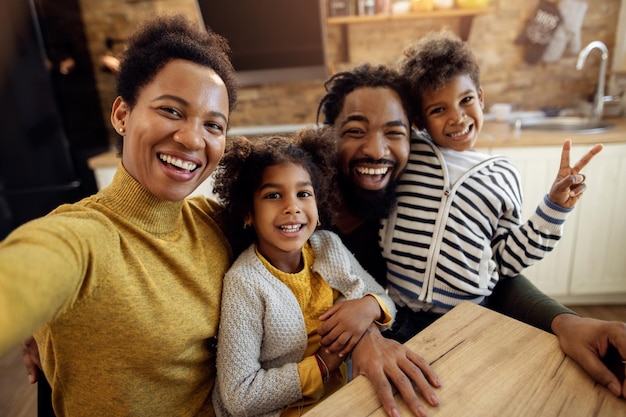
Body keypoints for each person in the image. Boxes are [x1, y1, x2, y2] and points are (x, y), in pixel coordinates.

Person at [318, 60, 626, 415]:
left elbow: (490, 267)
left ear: (413, 134)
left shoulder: (404, 184)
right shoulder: (304, 211)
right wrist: (366, 337)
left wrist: (567, 322)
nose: (376, 150)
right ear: (329, 135)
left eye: (395, 132)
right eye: (356, 130)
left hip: (454, 338)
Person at [1, 14, 238, 416]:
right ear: (122, 116)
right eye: (172, 111)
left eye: (213, 125)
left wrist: (371, 324)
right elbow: (26, 270)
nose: (193, 138)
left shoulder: (215, 223)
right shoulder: (83, 235)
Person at [380, 29, 604, 341]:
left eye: (466, 100)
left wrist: (554, 208)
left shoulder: (502, 175)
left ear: (481, 98)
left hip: (470, 320)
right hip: (400, 319)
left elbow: (506, 259)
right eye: (438, 110)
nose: (457, 118)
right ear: (419, 120)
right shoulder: (410, 152)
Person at [210, 128, 396, 416]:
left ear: (318, 204)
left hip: (345, 399)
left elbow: (385, 300)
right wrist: (322, 363)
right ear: (248, 212)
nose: (292, 207)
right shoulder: (245, 283)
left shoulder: (328, 246)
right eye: (273, 195)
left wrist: (370, 306)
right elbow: (239, 396)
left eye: (303, 193)